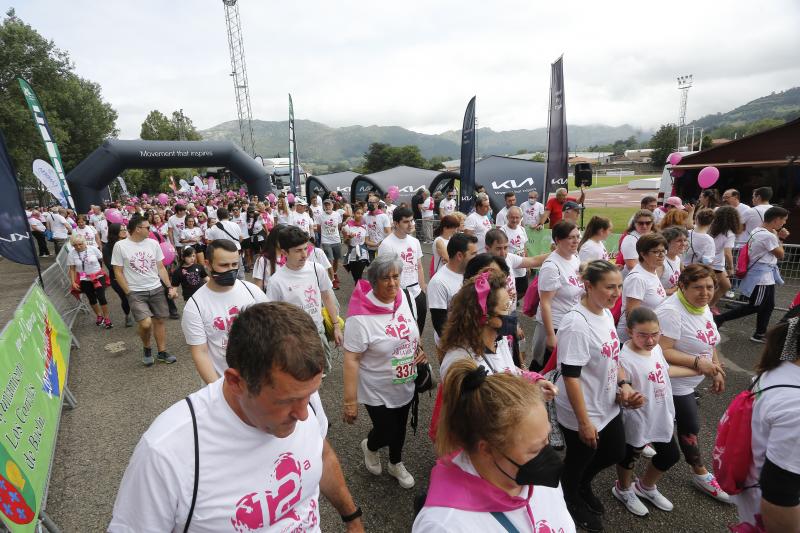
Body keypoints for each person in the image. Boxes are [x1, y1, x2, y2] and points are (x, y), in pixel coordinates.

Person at [110, 303, 364, 532]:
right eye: (285, 401)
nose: (303, 414)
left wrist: (352, 518)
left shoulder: (304, 398)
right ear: (236, 382)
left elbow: (321, 454)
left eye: (310, 394)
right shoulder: (167, 452)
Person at [415, 356, 574, 533]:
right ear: (487, 449)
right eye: (535, 449)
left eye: (547, 439)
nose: (548, 455)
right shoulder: (445, 526)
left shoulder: (534, 478)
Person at [554, 260, 644, 532]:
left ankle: (581, 483)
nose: (616, 293)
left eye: (619, 286)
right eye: (609, 287)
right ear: (588, 286)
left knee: (614, 451)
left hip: (607, 403)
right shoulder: (576, 324)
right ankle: (569, 498)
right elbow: (570, 376)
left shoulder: (605, 313)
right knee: (578, 459)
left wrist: (625, 384)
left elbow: (612, 358)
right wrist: (583, 422)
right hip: (582, 410)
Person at [343, 254, 426, 489]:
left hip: (406, 378)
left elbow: (411, 331)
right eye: (385, 278)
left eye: (395, 276)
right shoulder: (359, 317)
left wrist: (419, 349)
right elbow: (351, 359)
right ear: (373, 281)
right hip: (376, 386)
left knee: (400, 427)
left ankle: (395, 463)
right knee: (386, 430)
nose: (392, 283)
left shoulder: (404, 297)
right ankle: (370, 446)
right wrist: (350, 401)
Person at [655, 264, 729, 503]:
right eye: (697, 287)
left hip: (690, 380)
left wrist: (715, 368)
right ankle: (700, 473)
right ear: (682, 286)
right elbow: (662, 351)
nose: (705, 293)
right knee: (689, 427)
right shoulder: (672, 312)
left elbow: (710, 341)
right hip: (672, 384)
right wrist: (699, 363)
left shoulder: (701, 305)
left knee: (664, 427)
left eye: (710, 287)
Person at [613, 307, 697, 516]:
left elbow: (665, 372)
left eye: (655, 334)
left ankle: (645, 486)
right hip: (638, 418)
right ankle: (622, 489)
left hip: (661, 413)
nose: (650, 340)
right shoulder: (624, 358)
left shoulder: (656, 349)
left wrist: (697, 369)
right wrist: (628, 397)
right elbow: (619, 390)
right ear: (630, 332)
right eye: (643, 335)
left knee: (670, 455)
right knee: (630, 456)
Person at [732, 317, 800, 530]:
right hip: (769, 514)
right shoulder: (796, 407)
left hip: (752, 496)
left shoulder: (777, 370)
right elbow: (779, 494)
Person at [181, 239, 266, 384]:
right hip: (223, 384)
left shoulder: (252, 291)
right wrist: (217, 392)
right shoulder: (195, 305)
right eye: (224, 265)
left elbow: (272, 330)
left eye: (234, 264)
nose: (231, 270)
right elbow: (200, 353)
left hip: (259, 381)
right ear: (207, 264)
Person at [267, 226, 343, 375]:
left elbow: (327, 297)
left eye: (305, 249)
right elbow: (273, 315)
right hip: (293, 337)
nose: (304, 255)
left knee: (321, 371)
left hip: (318, 330)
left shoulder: (317, 269)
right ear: (284, 253)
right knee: (300, 375)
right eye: (297, 251)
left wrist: (336, 326)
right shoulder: (276, 281)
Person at [715, 206, 790, 343]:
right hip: (761, 278)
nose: (784, 223)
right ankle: (720, 319)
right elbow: (781, 254)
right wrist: (781, 238)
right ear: (776, 219)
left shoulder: (758, 230)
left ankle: (760, 333)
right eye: (783, 220)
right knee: (755, 305)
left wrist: (776, 235)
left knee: (768, 305)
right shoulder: (768, 236)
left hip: (765, 276)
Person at [111, 214, 177, 366]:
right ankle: (147, 348)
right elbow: (118, 272)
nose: (150, 229)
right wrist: (128, 292)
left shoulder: (153, 244)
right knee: (146, 323)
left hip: (156, 288)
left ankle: (162, 352)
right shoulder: (120, 246)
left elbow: (160, 267)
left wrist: (169, 286)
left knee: (159, 321)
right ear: (137, 229)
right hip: (135, 292)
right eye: (147, 227)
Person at [531, 221, 584, 370]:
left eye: (577, 237)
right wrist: (550, 335)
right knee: (544, 370)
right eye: (571, 238)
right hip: (554, 326)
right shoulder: (551, 266)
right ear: (558, 240)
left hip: (570, 324)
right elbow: (545, 303)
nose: (576, 241)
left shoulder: (575, 258)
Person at [378, 207, 427, 334]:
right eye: (406, 222)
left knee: (418, 331)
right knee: (404, 332)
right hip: (400, 294)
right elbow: (384, 274)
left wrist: (422, 290)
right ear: (395, 223)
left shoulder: (415, 241)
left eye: (412, 221)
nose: (410, 224)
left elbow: (419, 266)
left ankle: (418, 351)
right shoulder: (386, 244)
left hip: (417, 292)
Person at [617, 233, 668, 342]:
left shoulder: (651, 271)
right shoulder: (637, 279)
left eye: (663, 251)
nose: (661, 255)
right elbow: (631, 315)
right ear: (643, 254)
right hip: (635, 340)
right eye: (656, 252)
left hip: (647, 336)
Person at [428, 233, 479, 343]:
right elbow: (440, 324)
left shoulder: (473, 273)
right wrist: (459, 346)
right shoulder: (439, 282)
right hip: (453, 344)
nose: (477, 258)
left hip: (472, 339)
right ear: (460, 256)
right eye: (473, 254)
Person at [68, 234, 112, 328]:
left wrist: (101, 269)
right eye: (75, 245)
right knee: (91, 298)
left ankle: (107, 318)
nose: (78, 247)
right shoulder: (72, 253)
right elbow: (72, 269)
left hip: (97, 276)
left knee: (101, 297)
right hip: (84, 278)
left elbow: (101, 259)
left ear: (84, 242)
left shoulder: (92, 249)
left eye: (80, 244)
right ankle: (99, 315)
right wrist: (73, 282)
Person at [708, 205, 740, 310]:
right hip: (716, 264)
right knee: (723, 286)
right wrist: (731, 268)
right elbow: (727, 252)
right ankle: (709, 306)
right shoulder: (729, 233)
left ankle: (710, 305)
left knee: (722, 286)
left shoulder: (710, 227)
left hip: (708, 262)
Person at [103, 223, 133, 327]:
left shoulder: (130, 243)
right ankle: (128, 315)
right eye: (122, 229)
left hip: (133, 276)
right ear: (115, 232)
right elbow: (110, 266)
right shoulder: (107, 247)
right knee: (125, 297)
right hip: (117, 278)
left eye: (125, 229)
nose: (125, 231)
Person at [205, 207, 244, 279]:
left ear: (218, 216)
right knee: (238, 268)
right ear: (228, 215)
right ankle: (241, 285)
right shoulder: (235, 225)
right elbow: (241, 238)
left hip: (222, 252)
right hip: (236, 250)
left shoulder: (214, 227)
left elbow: (209, 241)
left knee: (224, 269)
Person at [500, 206, 529, 299]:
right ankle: (510, 302)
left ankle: (514, 301)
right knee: (509, 289)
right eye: (512, 217)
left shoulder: (522, 229)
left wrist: (527, 264)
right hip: (509, 265)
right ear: (507, 217)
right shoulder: (502, 231)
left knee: (523, 289)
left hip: (521, 265)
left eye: (517, 217)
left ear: (521, 218)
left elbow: (524, 246)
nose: (515, 220)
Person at [619, 210, 655, 276]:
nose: (644, 226)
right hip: (635, 279)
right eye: (641, 223)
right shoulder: (630, 239)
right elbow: (631, 266)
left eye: (648, 223)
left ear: (652, 223)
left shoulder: (653, 236)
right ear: (634, 223)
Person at [317, 199, 343, 289]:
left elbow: (339, 226)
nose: (327, 206)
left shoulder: (337, 214)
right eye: (326, 205)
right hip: (326, 241)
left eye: (329, 205)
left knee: (336, 259)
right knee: (329, 260)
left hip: (336, 240)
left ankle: (334, 274)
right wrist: (324, 236)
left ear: (332, 205)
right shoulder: (320, 216)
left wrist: (334, 233)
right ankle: (332, 280)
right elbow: (319, 228)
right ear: (324, 206)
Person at [252, 223, 285, 292]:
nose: (285, 242)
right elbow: (258, 287)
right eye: (281, 239)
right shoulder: (263, 260)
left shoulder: (290, 257)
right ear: (274, 239)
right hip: (270, 299)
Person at [343, 207, 370, 283]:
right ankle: (358, 291)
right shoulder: (347, 227)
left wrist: (377, 244)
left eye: (362, 213)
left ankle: (359, 293)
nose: (360, 215)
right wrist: (349, 237)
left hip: (363, 254)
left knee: (359, 276)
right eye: (358, 213)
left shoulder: (365, 226)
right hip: (352, 254)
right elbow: (345, 242)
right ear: (353, 214)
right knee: (355, 277)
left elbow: (367, 241)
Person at [658, 227, 687, 296]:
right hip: (660, 304)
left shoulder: (677, 258)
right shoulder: (660, 263)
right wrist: (670, 291)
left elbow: (686, 275)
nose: (683, 244)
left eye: (685, 240)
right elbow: (651, 289)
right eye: (679, 241)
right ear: (667, 243)